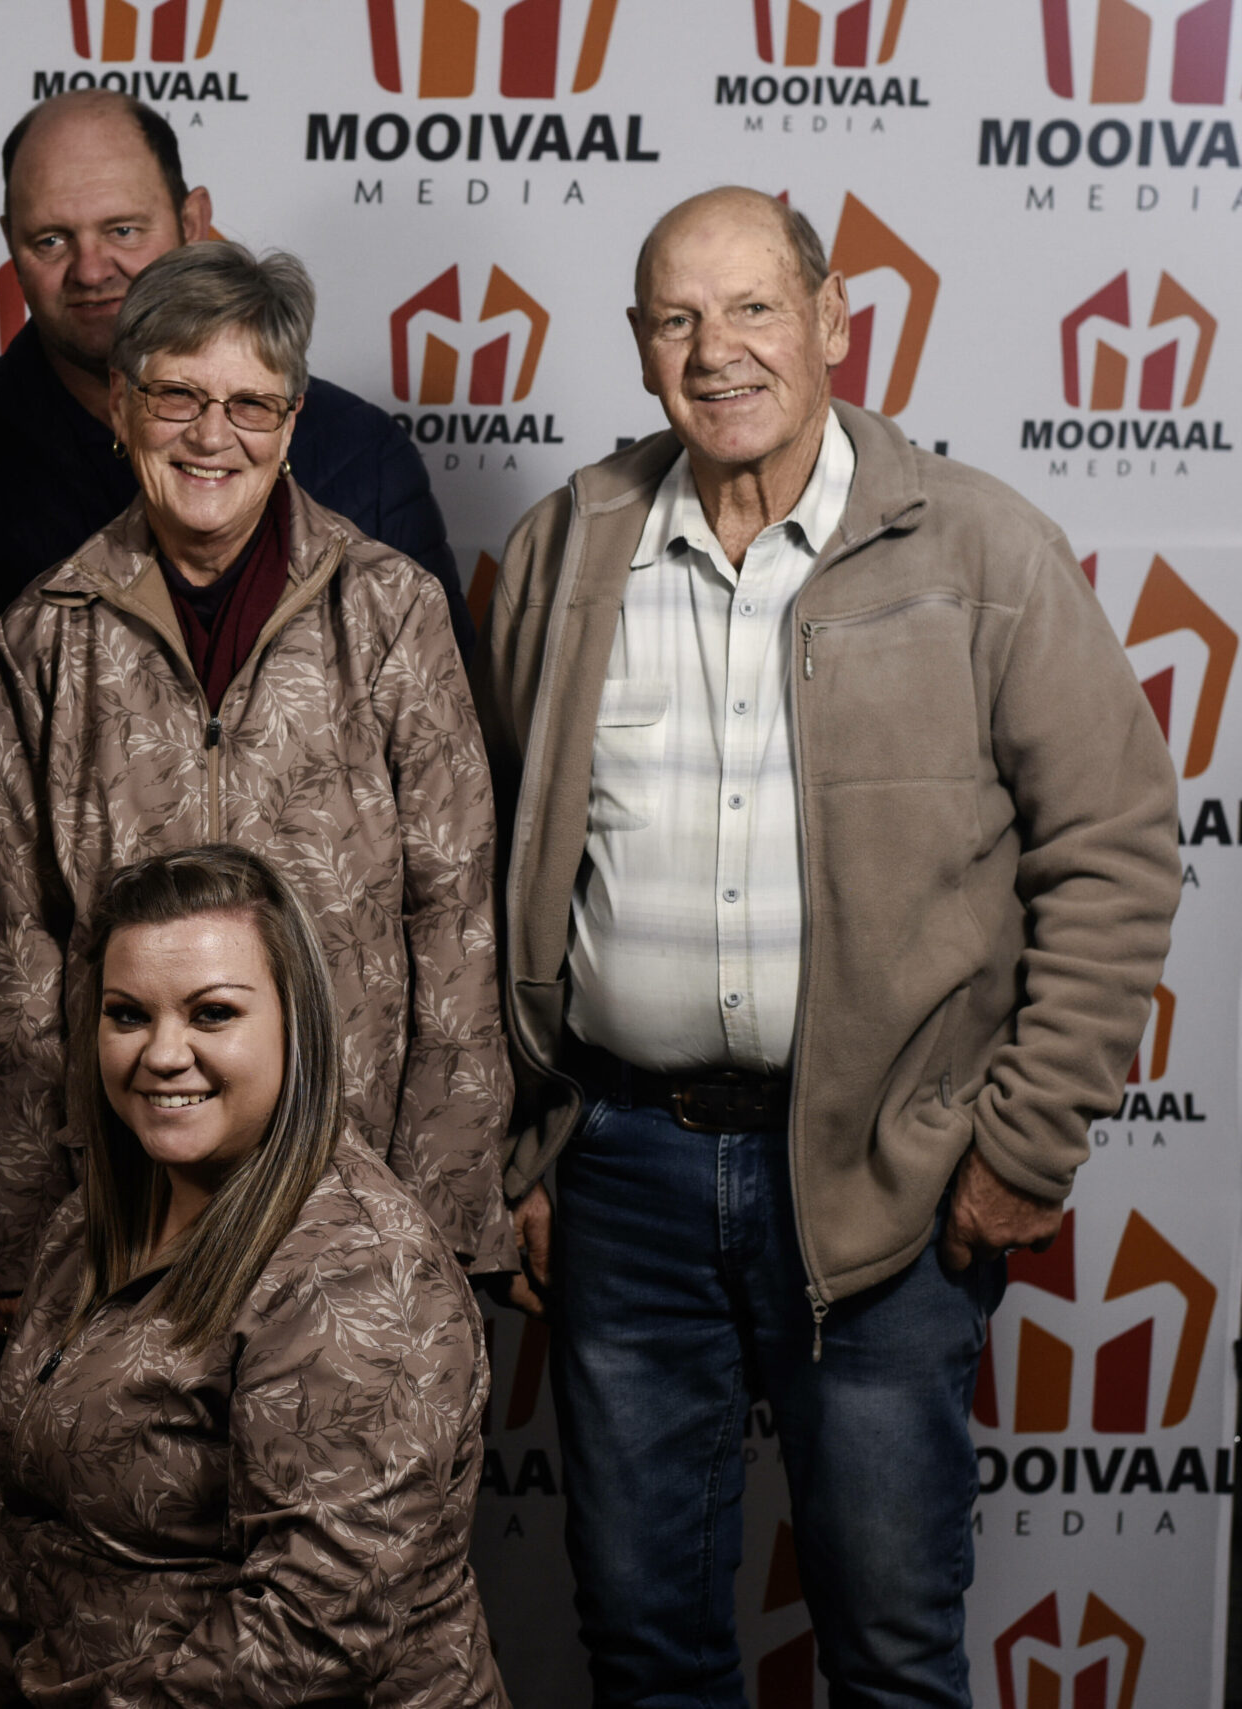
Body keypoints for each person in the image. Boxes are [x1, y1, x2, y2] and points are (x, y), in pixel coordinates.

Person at [472, 187, 1182, 1703]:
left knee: (893, 1655)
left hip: (888, 1184)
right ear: (639, 346)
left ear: (832, 322)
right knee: (644, 1647)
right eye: (678, 318)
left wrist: (1021, 1144)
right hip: (622, 1174)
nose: (715, 350)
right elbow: (486, 873)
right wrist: (520, 1148)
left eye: (752, 309)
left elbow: (1115, 848)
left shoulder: (980, 547)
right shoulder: (566, 548)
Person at [0, 241, 510, 1338]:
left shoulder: (391, 610)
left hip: (353, 1189)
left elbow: (454, 922)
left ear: (292, 421)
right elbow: (19, 961)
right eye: (176, 395)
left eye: (250, 404)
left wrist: (441, 1222)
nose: (211, 435)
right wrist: (21, 1235)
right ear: (120, 406)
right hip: (127, 1198)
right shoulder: (44, 633)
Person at [0, 844, 502, 1708]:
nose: (163, 1053)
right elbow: (0, 1513)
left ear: (297, 1024)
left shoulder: (357, 1268)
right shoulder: (85, 1224)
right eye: (127, 1014)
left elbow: (310, 1636)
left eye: (213, 1013)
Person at [0, 88, 467, 653]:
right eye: (50, 240)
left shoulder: (364, 457)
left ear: (193, 220)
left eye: (123, 230)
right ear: (10, 242)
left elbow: (444, 704)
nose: (91, 270)